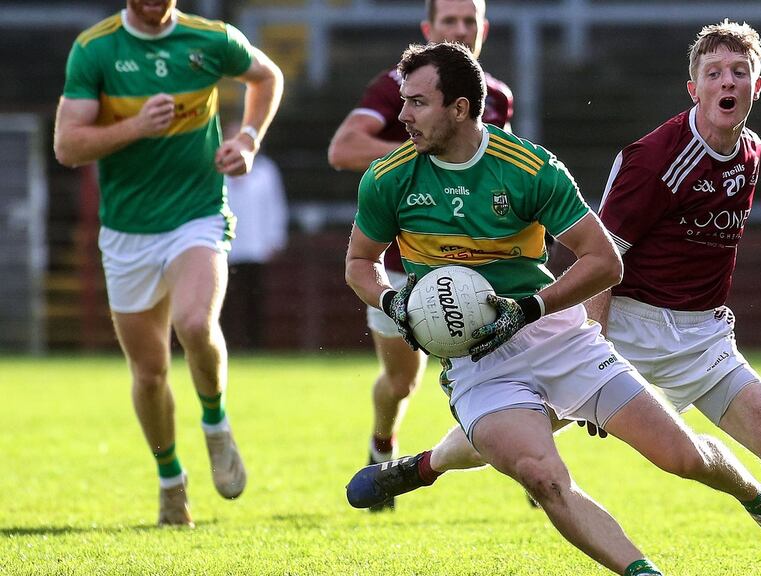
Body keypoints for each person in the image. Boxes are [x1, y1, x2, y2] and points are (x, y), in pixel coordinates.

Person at [349, 21, 761, 576]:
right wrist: (591, 339)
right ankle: (422, 467)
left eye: (739, 72)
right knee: (526, 440)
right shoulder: (653, 160)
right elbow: (605, 258)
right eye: (714, 73)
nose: (728, 82)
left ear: (758, 85)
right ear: (691, 88)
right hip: (617, 324)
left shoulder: (747, 151)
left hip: (699, 335)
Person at [54, 0, 283, 527]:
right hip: (127, 230)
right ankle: (171, 483)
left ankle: (215, 424)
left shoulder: (210, 39)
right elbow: (68, 145)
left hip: (196, 214)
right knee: (151, 371)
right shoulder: (96, 49)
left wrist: (246, 139)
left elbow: (266, 78)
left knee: (195, 324)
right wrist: (134, 126)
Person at [327, 0, 512, 512]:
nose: (459, 30)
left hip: (479, 269)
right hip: (402, 270)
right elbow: (342, 149)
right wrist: (420, 150)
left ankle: (533, 468)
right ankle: (382, 443)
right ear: (428, 29)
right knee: (402, 381)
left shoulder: (496, 97)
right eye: (448, 21)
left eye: (468, 21)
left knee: (516, 368)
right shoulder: (395, 88)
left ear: (483, 29)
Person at [223, 121, 289, 350]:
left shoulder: (265, 170)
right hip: (225, 247)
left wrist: (275, 239)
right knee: (225, 299)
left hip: (255, 246)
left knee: (254, 298)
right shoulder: (217, 171)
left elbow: (275, 206)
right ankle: (227, 344)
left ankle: (254, 345)